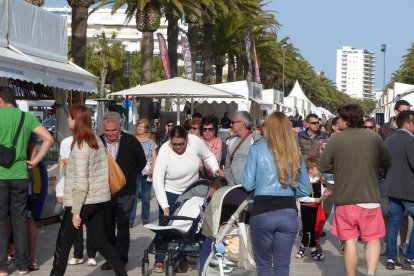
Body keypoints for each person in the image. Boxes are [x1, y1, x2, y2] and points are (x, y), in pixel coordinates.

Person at [50, 105, 127, 276]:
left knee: (62, 245)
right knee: (101, 242)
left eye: (70, 117)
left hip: (82, 202)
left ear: (76, 120)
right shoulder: (97, 141)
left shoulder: (80, 146)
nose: (68, 120)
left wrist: (76, 211)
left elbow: (81, 182)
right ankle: (122, 273)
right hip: (98, 201)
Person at [319, 104, 392, 276]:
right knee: (373, 238)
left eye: (339, 118)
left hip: (345, 198)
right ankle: (371, 272)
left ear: (345, 120)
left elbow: (323, 165)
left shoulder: (336, 139)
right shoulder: (373, 138)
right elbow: (388, 161)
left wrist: (339, 168)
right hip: (370, 197)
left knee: (349, 241)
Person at [242, 111, 311, 276]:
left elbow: (247, 184)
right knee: (282, 266)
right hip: (288, 213)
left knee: (264, 266)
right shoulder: (294, 152)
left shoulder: (257, 149)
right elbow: (305, 190)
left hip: (263, 211)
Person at [152, 126, 221, 273]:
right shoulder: (164, 150)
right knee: (166, 225)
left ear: (187, 140)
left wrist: (215, 169)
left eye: (181, 144)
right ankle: (159, 258)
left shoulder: (195, 142)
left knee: (191, 225)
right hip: (170, 191)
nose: (178, 147)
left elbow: (208, 155)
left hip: (192, 190)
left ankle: (184, 255)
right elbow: (157, 180)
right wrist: (164, 205)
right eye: (174, 144)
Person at [0, 86, 53, 276]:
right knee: (20, 220)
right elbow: (48, 138)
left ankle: (3, 268)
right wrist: (35, 162)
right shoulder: (26, 117)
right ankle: (23, 265)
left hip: (0, 176)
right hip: (21, 175)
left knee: (1, 221)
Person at [99, 112, 146, 271]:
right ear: (103, 129)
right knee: (107, 227)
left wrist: (129, 176)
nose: (111, 134)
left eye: (114, 130)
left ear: (119, 128)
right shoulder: (98, 142)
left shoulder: (130, 141)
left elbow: (141, 162)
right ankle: (111, 259)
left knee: (123, 225)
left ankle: (121, 261)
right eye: (108, 130)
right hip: (104, 192)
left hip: (126, 191)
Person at [55, 136, 97, 267]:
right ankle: (78, 255)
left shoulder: (92, 141)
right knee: (74, 224)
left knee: (91, 224)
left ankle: (91, 255)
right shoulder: (66, 142)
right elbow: (61, 170)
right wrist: (60, 191)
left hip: (90, 189)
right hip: (71, 189)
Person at [378, 99, 411, 256]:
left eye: (408, 109)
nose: (406, 112)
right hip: (390, 179)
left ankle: (401, 245)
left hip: (400, 181)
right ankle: (390, 247)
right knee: (388, 215)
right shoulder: (385, 130)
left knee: (402, 217)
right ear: (396, 112)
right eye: (403, 110)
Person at [383, 110, 414, 270]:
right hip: (408, 191)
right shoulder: (410, 141)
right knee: (395, 223)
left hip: (392, 189)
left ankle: (391, 258)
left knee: (393, 224)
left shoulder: (389, 140)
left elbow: (383, 166)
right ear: (407, 124)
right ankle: (410, 258)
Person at [296, 159, 331, 261]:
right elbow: (301, 197)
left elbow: (320, 197)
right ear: (310, 170)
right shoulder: (304, 181)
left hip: (316, 208)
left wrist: (325, 195)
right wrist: (314, 199)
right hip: (306, 208)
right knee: (308, 229)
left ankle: (303, 249)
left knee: (313, 229)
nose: (319, 171)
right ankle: (313, 252)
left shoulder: (318, 181)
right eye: (317, 169)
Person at [130, 118, 157, 227]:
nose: (139, 128)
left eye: (142, 126)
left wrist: (152, 168)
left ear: (146, 128)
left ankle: (145, 219)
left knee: (146, 198)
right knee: (134, 198)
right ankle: (131, 220)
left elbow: (154, 157)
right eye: (139, 126)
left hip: (146, 173)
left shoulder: (151, 142)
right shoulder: (132, 140)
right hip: (135, 172)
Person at [224, 111, 262, 186]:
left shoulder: (257, 140)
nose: (230, 124)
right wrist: (228, 184)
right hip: (233, 189)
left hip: (251, 191)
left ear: (242, 123)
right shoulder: (231, 141)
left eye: (233, 122)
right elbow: (227, 166)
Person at [199, 115, 228, 179]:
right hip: (198, 180)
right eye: (204, 129)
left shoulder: (223, 146)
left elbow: (226, 165)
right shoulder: (196, 144)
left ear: (215, 130)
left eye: (210, 129)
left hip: (215, 181)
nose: (207, 131)